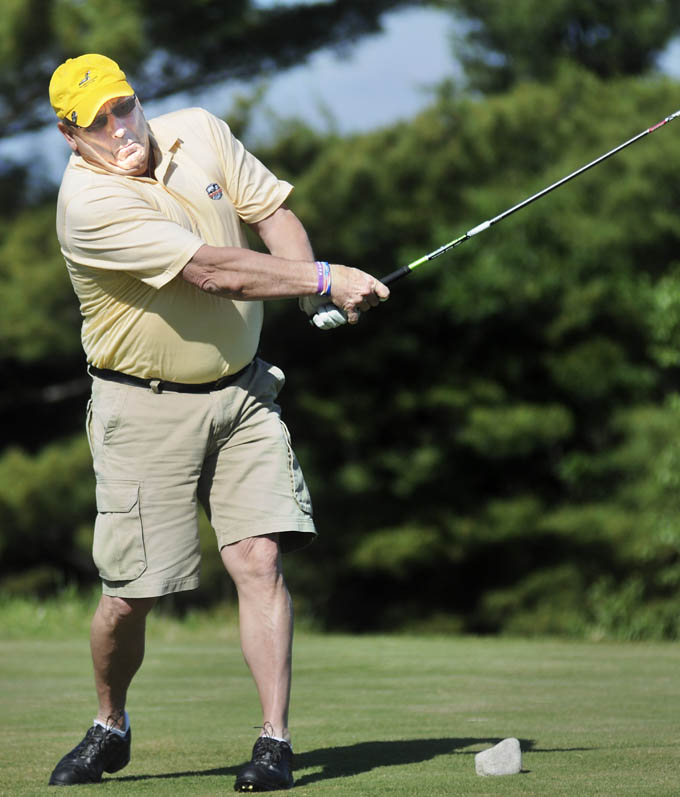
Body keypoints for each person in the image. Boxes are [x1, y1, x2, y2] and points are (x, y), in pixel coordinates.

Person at [46, 53, 389, 791]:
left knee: (259, 558)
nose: (119, 128)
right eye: (98, 122)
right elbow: (213, 270)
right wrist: (325, 278)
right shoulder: (87, 206)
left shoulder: (197, 131)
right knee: (132, 592)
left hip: (243, 394)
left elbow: (271, 213)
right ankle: (111, 721)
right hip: (142, 406)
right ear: (70, 137)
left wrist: (303, 292)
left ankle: (274, 741)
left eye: (124, 107)